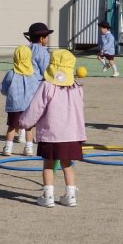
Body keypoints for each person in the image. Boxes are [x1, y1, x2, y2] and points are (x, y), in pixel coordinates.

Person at [19, 49, 86, 208]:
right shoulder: (76, 87)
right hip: (71, 134)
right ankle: (70, 196)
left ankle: (48, 196)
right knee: (67, 164)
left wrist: (25, 122)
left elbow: (36, 107)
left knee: (48, 164)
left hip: (52, 133)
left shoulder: (47, 85)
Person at [0, 45, 40, 157]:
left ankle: (8, 148)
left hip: (15, 105)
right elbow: (38, 88)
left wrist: (9, 94)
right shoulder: (35, 73)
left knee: (12, 127)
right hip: (29, 106)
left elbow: (3, 89)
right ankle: (29, 148)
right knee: (29, 128)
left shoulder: (11, 73)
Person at [21, 21, 53, 143]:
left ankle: (22, 133)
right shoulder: (42, 52)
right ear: (41, 38)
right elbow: (46, 70)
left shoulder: (25, 49)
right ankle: (36, 135)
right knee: (39, 110)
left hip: (24, 82)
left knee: (25, 108)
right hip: (36, 84)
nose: (47, 40)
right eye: (47, 37)